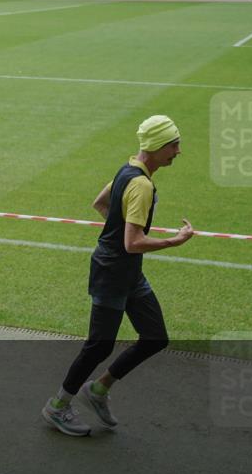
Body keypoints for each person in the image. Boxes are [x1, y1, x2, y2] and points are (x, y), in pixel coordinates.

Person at [42, 115, 194, 437]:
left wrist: (116, 230)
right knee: (99, 346)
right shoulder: (141, 184)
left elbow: (100, 203)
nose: (178, 151)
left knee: (155, 337)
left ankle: (98, 390)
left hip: (128, 272)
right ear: (157, 145)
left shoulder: (128, 170)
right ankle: (57, 406)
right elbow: (133, 242)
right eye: (173, 145)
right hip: (113, 273)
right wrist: (174, 241)